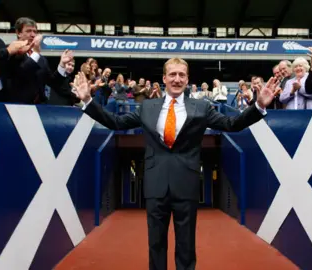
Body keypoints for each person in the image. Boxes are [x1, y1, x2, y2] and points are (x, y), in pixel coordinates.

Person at [71, 57, 277, 270]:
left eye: (181, 75)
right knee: (156, 244)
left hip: (186, 183)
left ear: (187, 79)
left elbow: (231, 124)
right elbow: (116, 122)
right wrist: (87, 101)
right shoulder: (147, 106)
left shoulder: (202, 107)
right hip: (155, 183)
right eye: (172, 74)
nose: (177, 79)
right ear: (164, 78)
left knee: (186, 245)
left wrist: (259, 105)